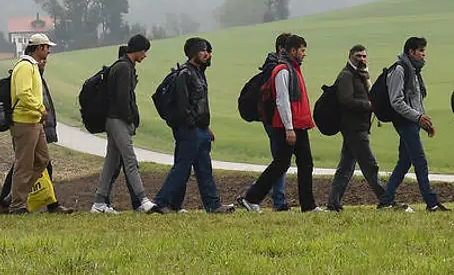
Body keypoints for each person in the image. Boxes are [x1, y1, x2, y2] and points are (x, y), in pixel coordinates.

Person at [152, 38, 232, 214]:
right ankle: (161, 202)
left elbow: (199, 105)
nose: (208, 54)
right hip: (190, 130)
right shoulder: (185, 74)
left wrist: (205, 128)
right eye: (203, 50)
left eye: (209, 51)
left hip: (200, 130)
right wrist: (193, 126)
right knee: (182, 168)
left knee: (204, 169)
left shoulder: (199, 73)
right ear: (193, 52)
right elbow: (183, 105)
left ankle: (213, 205)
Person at [240, 34, 318, 212]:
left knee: (305, 163)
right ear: (293, 51)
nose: (304, 54)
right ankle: (251, 197)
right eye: (302, 50)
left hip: (298, 125)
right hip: (287, 126)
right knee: (282, 164)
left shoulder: (293, 68)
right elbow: (282, 101)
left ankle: (308, 205)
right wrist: (289, 128)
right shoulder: (283, 70)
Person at [0, 56, 74, 214]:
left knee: (41, 162)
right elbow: (25, 95)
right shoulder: (26, 69)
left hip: (37, 123)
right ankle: (16, 204)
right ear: (38, 50)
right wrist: (41, 110)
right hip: (26, 122)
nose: (45, 61)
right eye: (44, 55)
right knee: (23, 165)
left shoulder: (36, 74)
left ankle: (12, 198)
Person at [92, 36, 157, 214]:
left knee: (111, 163)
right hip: (118, 120)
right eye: (144, 51)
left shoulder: (123, 66)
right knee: (130, 161)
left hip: (114, 120)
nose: (145, 55)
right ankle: (143, 200)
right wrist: (129, 120)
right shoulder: (124, 68)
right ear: (137, 49)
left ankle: (99, 203)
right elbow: (122, 99)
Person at [379, 37, 439, 212]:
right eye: (421, 51)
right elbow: (396, 101)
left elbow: (416, 99)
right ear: (411, 52)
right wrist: (418, 117)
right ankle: (432, 203)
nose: (423, 55)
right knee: (420, 161)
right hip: (404, 122)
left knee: (405, 162)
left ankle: (386, 200)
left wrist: (423, 122)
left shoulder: (413, 71)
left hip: (412, 122)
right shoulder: (400, 70)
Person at [325, 45, 388, 211]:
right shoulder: (346, 76)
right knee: (370, 166)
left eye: (364, 56)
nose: (361, 59)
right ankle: (386, 200)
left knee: (345, 168)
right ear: (350, 56)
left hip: (357, 127)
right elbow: (345, 100)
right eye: (358, 56)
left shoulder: (361, 75)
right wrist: (368, 105)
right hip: (354, 127)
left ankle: (333, 203)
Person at [258, 33, 294, 211]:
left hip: (274, 120)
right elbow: (280, 98)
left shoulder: (272, 66)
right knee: (280, 161)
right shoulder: (277, 68)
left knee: (280, 161)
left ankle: (274, 199)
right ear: (282, 49)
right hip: (275, 121)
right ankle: (277, 201)